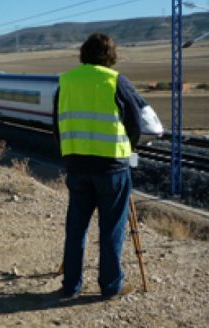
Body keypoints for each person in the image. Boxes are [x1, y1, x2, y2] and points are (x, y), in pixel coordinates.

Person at [53, 32, 144, 300]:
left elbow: (57, 124)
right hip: (112, 167)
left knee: (76, 228)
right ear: (111, 56)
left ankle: (70, 286)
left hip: (77, 165)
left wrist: (69, 154)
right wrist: (129, 149)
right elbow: (136, 124)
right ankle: (110, 286)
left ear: (83, 53)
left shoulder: (66, 81)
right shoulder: (116, 81)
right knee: (111, 228)